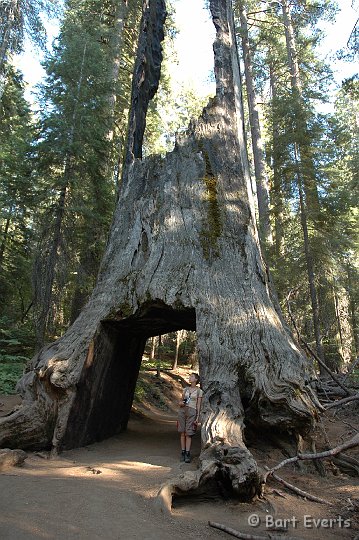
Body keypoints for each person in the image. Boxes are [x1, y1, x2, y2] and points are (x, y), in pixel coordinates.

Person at [177, 372, 203, 463]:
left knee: (189, 433)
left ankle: (188, 453)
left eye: (192, 377)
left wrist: (197, 417)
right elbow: (181, 400)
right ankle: (183, 452)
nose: (190, 378)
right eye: (190, 376)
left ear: (196, 379)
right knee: (182, 432)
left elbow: (198, 405)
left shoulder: (199, 391)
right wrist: (180, 403)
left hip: (192, 411)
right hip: (182, 410)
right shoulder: (185, 389)